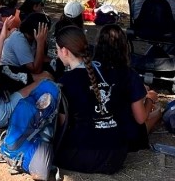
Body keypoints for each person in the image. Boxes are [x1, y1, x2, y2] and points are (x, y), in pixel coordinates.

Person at [54, 26, 131, 174]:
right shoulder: (108, 72)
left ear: (65, 51)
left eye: (57, 49)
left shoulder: (67, 81)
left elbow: (62, 124)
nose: (57, 54)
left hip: (87, 156)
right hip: (117, 154)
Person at [92, 24, 160, 152]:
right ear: (124, 47)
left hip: (93, 133)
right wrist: (150, 99)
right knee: (156, 112)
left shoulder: (88, 71)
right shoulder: (130, 75)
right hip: (122, 136)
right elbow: (140, 118)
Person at [0, 14, 50, 91]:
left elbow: (43, 57)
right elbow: (36, 70)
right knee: (46, 78)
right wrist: (40, 42)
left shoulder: (32, 38)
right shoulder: (19, 39)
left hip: (22, 68)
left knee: (54, 66)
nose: (46, 34)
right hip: (8, 71)